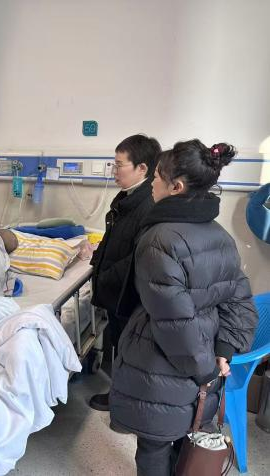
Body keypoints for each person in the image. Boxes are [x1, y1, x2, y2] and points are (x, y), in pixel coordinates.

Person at [109, 140, 258, 475]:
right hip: (205, 362)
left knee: (154, 446)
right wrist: (224, 351)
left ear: (175, 187)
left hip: (165, 365)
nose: (152, 184)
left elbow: (174, 321)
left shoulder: (159, 240)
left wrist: (204, 369)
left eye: (156, 178)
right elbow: (239, 299)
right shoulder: (220, 235)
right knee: (183, 439)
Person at [89, 134, 162, 411]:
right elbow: (114, 240)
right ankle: (121, 395)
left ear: (142, 168)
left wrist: (105, 275)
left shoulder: (148, 204)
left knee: (128, 347)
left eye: (119, 165)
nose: (114, 171)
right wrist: (96, 259)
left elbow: (137, 256)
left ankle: (123, 402)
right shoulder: (128, 199)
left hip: (126, 292)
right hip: (117, 289)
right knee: (121, 344)